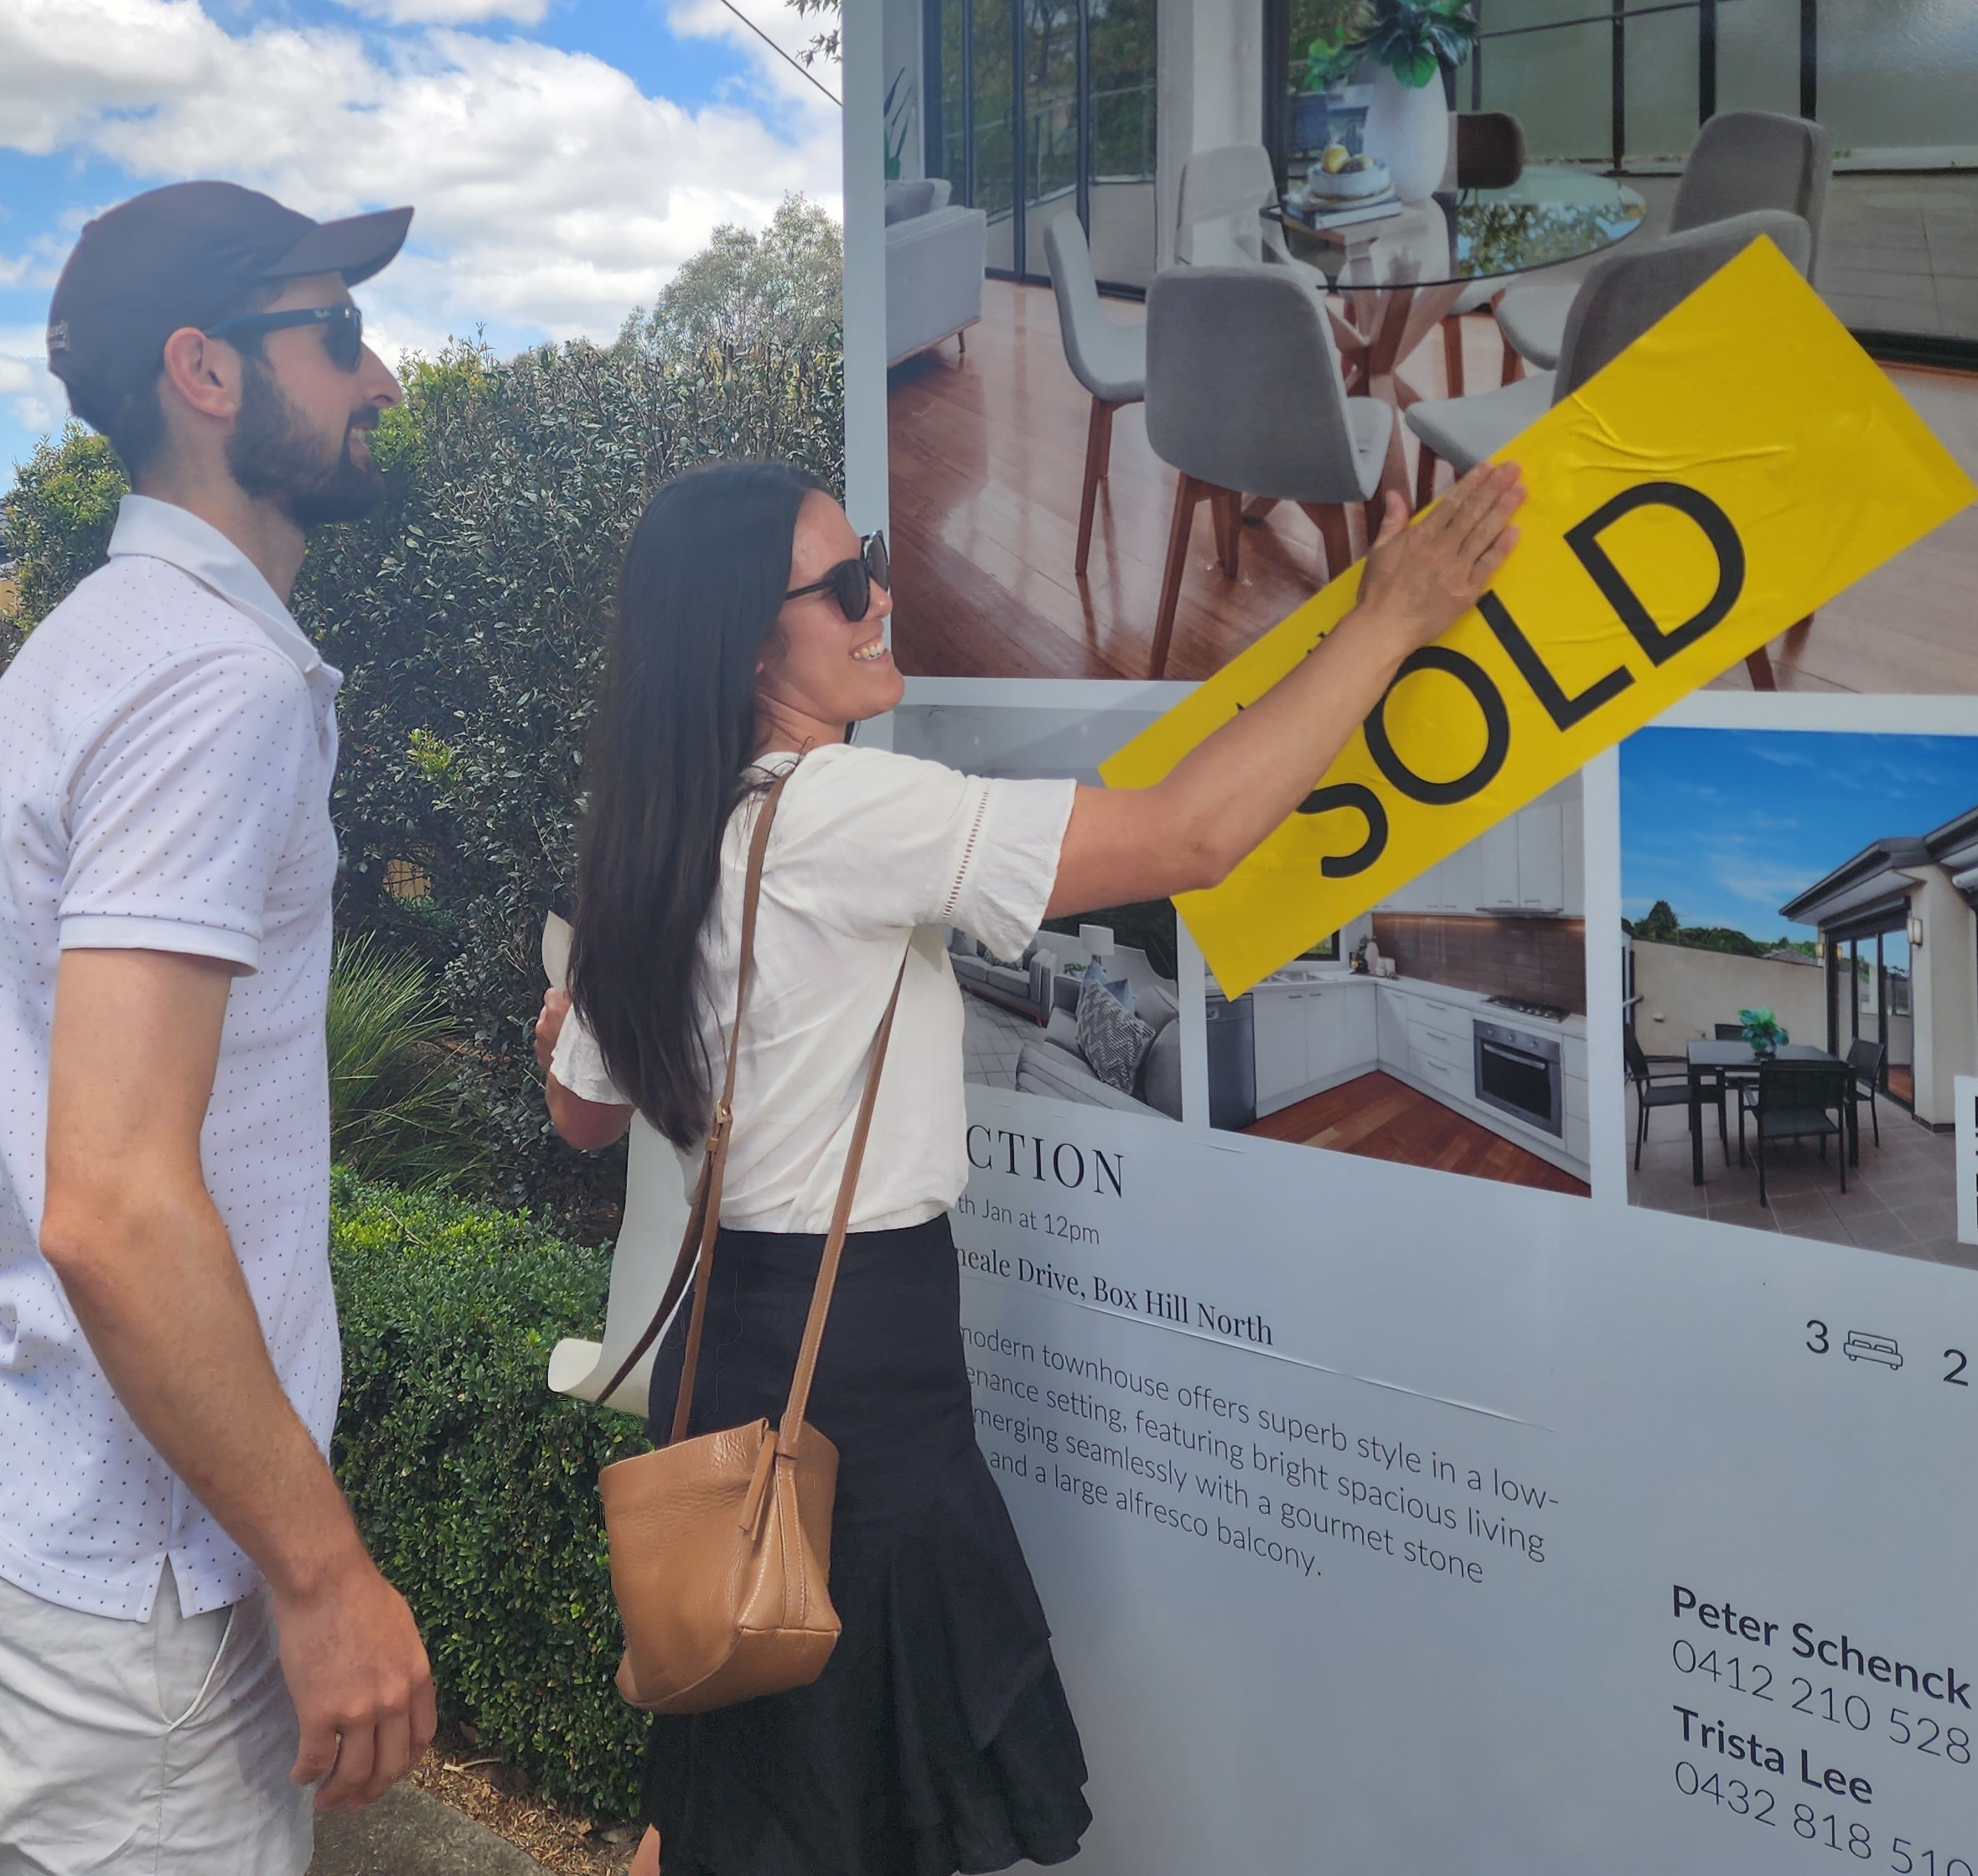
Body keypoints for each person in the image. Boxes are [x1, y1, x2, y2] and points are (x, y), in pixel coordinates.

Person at [536, 455, 1526, 1876]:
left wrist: (563, 1025)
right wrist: (1390, 616)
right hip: (854, 1368)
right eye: (842, 587)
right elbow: (1192, 833)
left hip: (725, 1354)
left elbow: (582, 1119)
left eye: (868, 556)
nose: (883, 597)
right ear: (749, 642)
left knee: (746, 1771)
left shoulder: (652, 831)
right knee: (825, 1800)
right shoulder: (828, 812)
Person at [0, 179, 438, 1876]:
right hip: (143, 1587)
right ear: (207, 373)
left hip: (31, 1513)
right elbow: (113, 1209)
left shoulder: (85, 644)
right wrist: (321, 1572)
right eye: (336, 332)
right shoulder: (215, 684)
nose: (381, 376)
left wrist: (81, 1151)